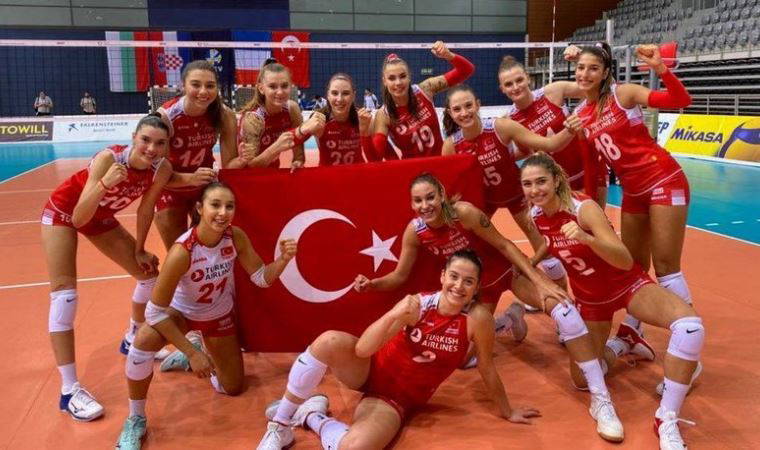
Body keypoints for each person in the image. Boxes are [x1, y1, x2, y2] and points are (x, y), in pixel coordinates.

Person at [355, 173, 625, 443]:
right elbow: (400, 276)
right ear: (412, 203)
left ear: (441, 194)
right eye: (418, 200)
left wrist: (539, 280)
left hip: (508, 274)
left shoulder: (464, 214)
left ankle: (602, 400)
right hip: (478, 292)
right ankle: (508, 319)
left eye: (430, 197)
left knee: (564, 310)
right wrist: (373, 284)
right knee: (464, 360)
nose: (425, 205)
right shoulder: (416, 232)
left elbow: (505, 244)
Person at [257, 250, 541, 450]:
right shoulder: (418, 304)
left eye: (468, 281)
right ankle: (280, 426)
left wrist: (507, 411)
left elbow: (487, 367)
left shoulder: (479, 319)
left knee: (355, 447)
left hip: (395, 400)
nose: (459, 286)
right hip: (369, 370)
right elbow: (363, 348)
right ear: (442, 276)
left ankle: (311, 415)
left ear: (477, 287)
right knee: (328, 341)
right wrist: (396, 314)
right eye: (454, 276)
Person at [520, 152, 705, 450]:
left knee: (690, 327)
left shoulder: (583, 209)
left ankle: (667, 419)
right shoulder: (536, 215)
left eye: (541, 181)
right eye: (527, 184)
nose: (534, 190)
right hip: (591, 300)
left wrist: (586, 239)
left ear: (556, 180)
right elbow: (551, 242)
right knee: (581, 380)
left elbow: (624, 259)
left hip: (626, 284)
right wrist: (529, 263)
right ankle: (622, 344)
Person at [115, 182, 297, 449]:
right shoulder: (183, 251)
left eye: (229, 206)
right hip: (182, 314)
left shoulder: (235, 237)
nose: (223, 212)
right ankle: (135, 419)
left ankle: (198, 351)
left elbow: (261, 278)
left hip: (218, 315)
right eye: (215, 205)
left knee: (233, 387)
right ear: (200, 208)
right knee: (143, 341)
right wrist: (192, 353)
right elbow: (153, 311)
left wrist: (282, 260)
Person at [40, 114, 184, 421]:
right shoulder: (109, 159)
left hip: (100, 218)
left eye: (160, 143)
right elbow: (78, 217)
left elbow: (146, 209)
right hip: (64, 212)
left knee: (149, 276)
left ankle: (132, 337)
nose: (151, 148)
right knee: (65, 295)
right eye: (145, 140)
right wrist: (106, 182)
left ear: (167, 147)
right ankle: (69, 391)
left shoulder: (161, 168)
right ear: (134, 138)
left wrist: (140, 249)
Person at [567, 42, 694, 359]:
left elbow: (681, 100)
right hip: (633, 191)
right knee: (632, 268)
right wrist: (590, 209)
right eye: (581, 68)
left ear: (605, 72)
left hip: (663, 179)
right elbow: (593, 167)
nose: (585, 74)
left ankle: (691, 345)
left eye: (593, 68)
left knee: (666, 268)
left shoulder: (623, 94)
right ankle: (633, 333)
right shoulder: (580, 114)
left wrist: (661, 69)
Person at [441, 84, 578, 295]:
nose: (464, 112)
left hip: (515, 195)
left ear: (478, 105)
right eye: (457, 109)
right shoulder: (451, 145)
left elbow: (549, 144)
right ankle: (476, 293)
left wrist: (569, 130)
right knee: (469, 243)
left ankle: (562, 297)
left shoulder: (501, 127)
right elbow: (448, 186)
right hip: (485, 203)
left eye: (468, 105)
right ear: (450, 113)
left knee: (543, 246)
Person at [498, 55, 608, 207]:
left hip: (589, 166)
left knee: (597, 217)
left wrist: (582, 60)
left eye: (519, 80)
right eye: (509, 84)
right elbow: (525, 151)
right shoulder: (510, 121)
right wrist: (500, 160)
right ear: (502, 89)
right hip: (558, 181)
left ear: (528, 78)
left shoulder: (553, 91)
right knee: (568, 221)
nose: (516, 87)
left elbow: (597, 89)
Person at [153, 59, 237, 253]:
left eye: (210, 86)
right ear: (183, 86)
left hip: (204, 187)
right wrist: (190, 178)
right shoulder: (166, 117)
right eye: (196, 85)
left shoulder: (225, 115)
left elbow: (230, 165)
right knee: (180, 253)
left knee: (207, 250)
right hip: (170, 188)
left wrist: (250, 157)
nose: (203, 91)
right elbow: (156, 174)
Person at [372, 41, 474, 159]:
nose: (398, 82)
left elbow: (467, 70)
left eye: (403, 76)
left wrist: (448, 55)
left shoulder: (425, 90)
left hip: (440, 162)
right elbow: (376, 157)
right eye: (391, 78)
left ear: (409, 76)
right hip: (413, 168)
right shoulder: (383, 115)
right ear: (384, 81)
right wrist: (365, 133)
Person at [224, 60, 324, 170]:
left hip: (274, 171)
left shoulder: (292, 109)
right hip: (247, 176)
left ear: (290, 86)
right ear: (261, 89)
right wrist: (276, 148)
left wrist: (298, 161)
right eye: (272, 86)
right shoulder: (253, 119)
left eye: (284, 86)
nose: (280, 92)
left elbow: (298, 148)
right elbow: (250, 166)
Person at [312, 73, 375, 166]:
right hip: (328, 173)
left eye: (345, 93)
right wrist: (298, 159)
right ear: (328, 95)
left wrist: (365, 133)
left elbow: (374, 160)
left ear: (353, 96)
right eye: (334, 93)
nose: (340, 99)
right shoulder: (318, 118)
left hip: (357, 173)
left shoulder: (363, 119)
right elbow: (296, 139)